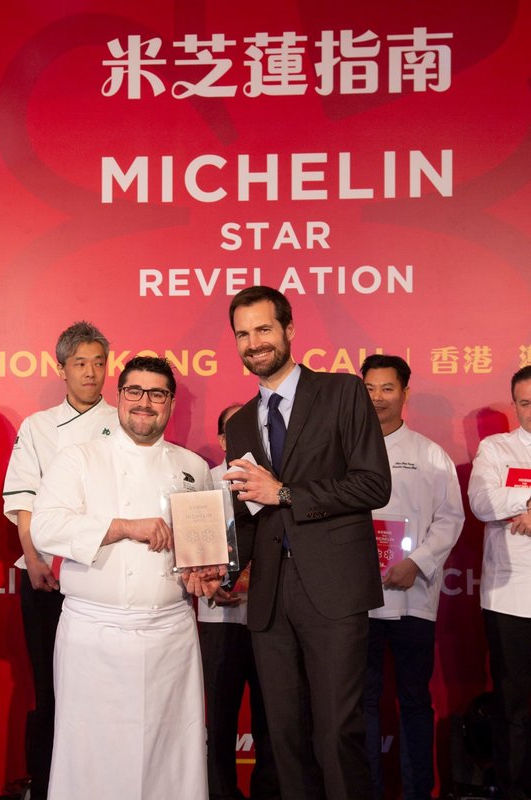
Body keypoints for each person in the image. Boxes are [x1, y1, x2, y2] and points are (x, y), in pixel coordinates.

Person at [223, 286, 391, 800]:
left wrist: (288, 493)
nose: (255, 343)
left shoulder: (342, 392)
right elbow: (250, 513)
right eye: (243, 334)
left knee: (337, 730)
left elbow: (373, 484)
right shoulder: (240, 423)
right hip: (271, 596)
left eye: (264, 329)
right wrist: (223, 568)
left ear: (290, 331)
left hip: (335, 589)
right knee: (284, 736)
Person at [31, 355, 217, 800]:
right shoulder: (78, 458)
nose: (144, 403)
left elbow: (204, 550)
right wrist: (124, 527)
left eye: (157, 394)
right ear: (119, 398)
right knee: (91, 751)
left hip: (170, 634)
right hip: (94, 635)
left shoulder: (194, 468)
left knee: (171, 751)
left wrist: (206, 576)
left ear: (170, 402)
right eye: (135, 391)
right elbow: (45, 527)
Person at [2, 320, 117, 800]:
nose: (91, 373)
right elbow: (23, 498)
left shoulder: (124, 418)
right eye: (80, 363)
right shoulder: (38, 427)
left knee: (105, 691)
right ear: (61, 368)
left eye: (98, 363)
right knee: (51, 689)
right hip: (47, 575)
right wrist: (33, 559)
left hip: (105, 575)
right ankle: (49, 786)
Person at [360, 354, 464, 800]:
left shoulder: (429, 454)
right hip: (355, 600)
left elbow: (450, 518)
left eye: (387, 388)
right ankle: (366, 791)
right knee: (360, 704)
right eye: (370, 389)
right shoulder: (344, 450)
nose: (378, 398)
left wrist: (416, 563)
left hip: (412, 599)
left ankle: (419, 792)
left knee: (415, 701)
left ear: (404, 392)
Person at [199, 403, 279, 800]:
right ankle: (219, 793)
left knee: (272, 718)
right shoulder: (201, 483)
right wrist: (211, 583)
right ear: (222, 440)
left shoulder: (275, 484)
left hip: (268, 619)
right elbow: (190, 549)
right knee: (219, 717)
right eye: (234, 432)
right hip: (216, 621)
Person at [468, 365, 531, 800]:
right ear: (514, 405)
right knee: (516, 708)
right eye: (526, 403)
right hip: (510, 598)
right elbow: (483, 503)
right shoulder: (496, 448)